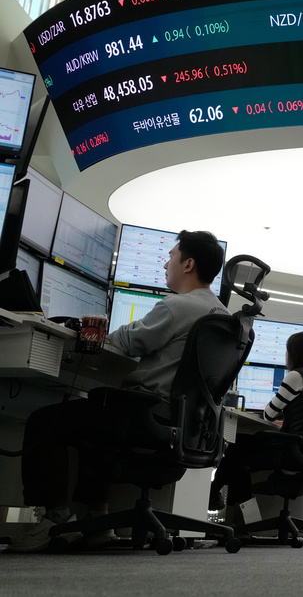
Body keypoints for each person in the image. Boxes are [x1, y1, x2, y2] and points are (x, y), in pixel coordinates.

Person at [12, 230, 227, 552]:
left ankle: (55, 519)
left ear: (188, 264)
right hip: (184, 424)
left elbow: (126, 342)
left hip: (150, 414)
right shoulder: (224, 317)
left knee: (46, 421)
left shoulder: (178, 306)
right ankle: (97, 521)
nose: (166, 263)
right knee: (99, 414)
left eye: (171, 256)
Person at [209, 331, 303, 524]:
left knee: (236, 450)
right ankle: (237, 517)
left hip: (291, 450)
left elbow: (269, 414)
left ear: (294, 353)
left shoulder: (296, 376)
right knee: (239, 455)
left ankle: (220, 500)